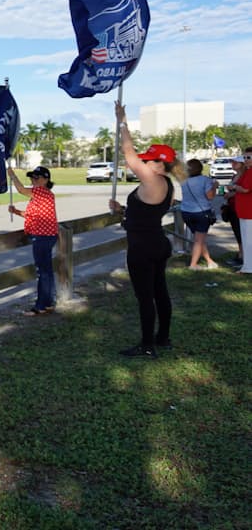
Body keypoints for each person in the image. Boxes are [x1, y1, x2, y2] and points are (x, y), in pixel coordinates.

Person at [108, 102, 185, 358]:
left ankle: (147, 345)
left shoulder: (153, 179)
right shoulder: (167, 184)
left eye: (149, 159)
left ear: (159, 163)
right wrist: (122, 210)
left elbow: (128, 154)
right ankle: (162, 338)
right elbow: (144, 213)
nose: (145, 162)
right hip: (157, 242)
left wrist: (122, 121)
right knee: (160, 292)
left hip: (143, 247)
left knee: (146, 297)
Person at [8, 165, 59, 315]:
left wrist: (12, 176)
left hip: (42, 237)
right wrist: (16, 211)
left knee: (42, 272)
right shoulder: (44, 195)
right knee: (47, 271)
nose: (33, 180)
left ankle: (40, 306)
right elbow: (32, 215)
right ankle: (48, 303)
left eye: (36, 177)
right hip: (47, 236)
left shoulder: (41, 191)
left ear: (45, 180)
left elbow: (21, 190)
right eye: (32, 177)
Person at [179, 159, 219, 269]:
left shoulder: (183, 180)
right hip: (201, 212)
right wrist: (215, 186)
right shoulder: (205, 180)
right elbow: (210, 196)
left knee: (199, 239)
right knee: (199, 240)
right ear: (200, 168)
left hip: (186, 212)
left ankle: (209, 261)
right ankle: (193, 264)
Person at [230, 146, 252, 274]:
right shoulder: (248, 171)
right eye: (245, 157)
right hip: (245, 211)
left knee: (248, 241)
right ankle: (247, 266)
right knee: (246, 240)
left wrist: (234, 187)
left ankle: (248, 268)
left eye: (248, 157)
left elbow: (245, 189)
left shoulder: (251, 172)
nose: (246, 160)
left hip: (249, 212)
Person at [222, 155, 245, 266]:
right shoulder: (234, 176)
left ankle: (242, 256)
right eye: (232, 162)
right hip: (232, 206)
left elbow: (245, 190)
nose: (233, 164)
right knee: (237, 232)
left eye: (236, 162)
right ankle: (240, 254)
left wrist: (232, 192)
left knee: (241, 233)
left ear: (242, 164)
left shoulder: (245, 176)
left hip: (240, 208)